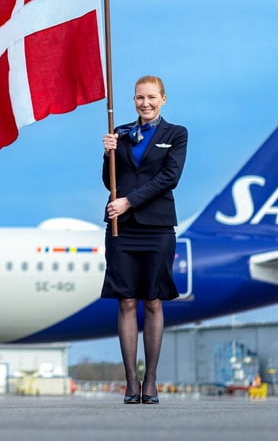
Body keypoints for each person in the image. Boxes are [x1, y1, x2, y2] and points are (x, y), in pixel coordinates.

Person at [100, 75, 187, 405]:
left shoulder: (176, 134)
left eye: (151, 97)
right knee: (125, 301)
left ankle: (150, 381)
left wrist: (129, 201)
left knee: (152, 300)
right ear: (134, 100)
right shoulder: (120, 132)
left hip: (157, 226)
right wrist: (107, 154)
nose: (145, 103)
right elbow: (109, 181)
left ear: (163, 99)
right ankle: (130, 381)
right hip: (121, 227)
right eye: (140, 97)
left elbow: (170, 177)